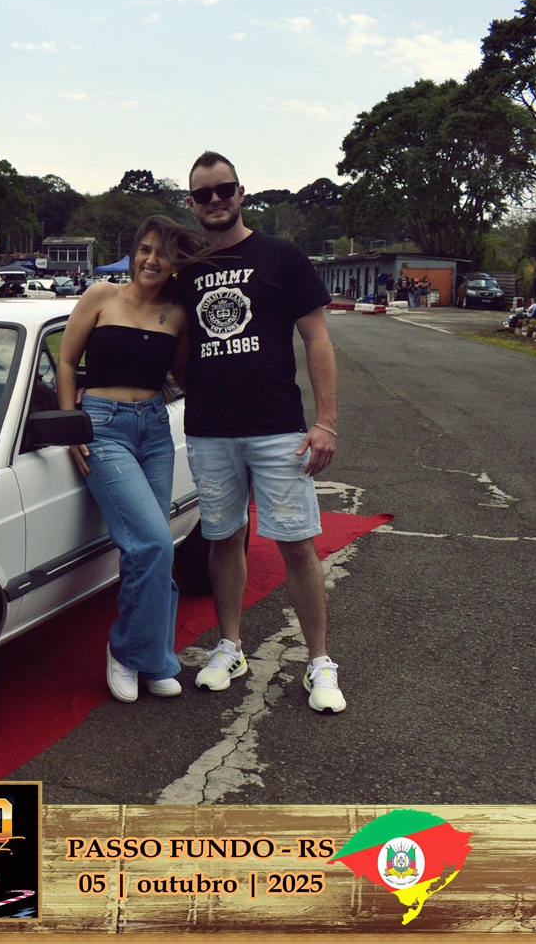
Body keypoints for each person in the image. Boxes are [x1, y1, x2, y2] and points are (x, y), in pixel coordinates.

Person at [178, 150, 345, 713]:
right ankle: (230, 646)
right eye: (204, 194)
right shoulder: (186, 269)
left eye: (223, 189)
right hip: (209, 431)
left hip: (277, 428)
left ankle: (319, 661)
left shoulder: (281, 255)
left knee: (296, 543)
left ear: (241, 192)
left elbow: (317, 339)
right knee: (223, 539)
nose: (215, 200)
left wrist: (326, 422)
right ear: (192, 203)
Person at [57, 214, 200, 703]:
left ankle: (153, 658)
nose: (151, 260)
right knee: (153, 542)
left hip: (155, 429)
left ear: (175, 263)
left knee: (156, 548)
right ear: (133, 252)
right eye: (145, 249)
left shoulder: (177, 315)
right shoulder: (100, 295)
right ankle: (126, 651)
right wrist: (70, 425)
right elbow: (66, 362)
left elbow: (184, 376)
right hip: (103, 428)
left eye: (163, 253)